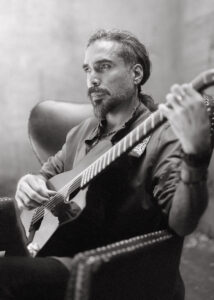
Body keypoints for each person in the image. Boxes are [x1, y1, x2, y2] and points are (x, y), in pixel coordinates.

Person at [0, 29, 212, 300]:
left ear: (136, 74)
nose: (92, 79)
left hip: (104, 267)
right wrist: (29, 183)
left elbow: (182, 224)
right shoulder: (82, 130)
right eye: (88, 69)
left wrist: (195, 156)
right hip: (53, 239)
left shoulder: (163, 133)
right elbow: (47, 172)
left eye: (103, 67)